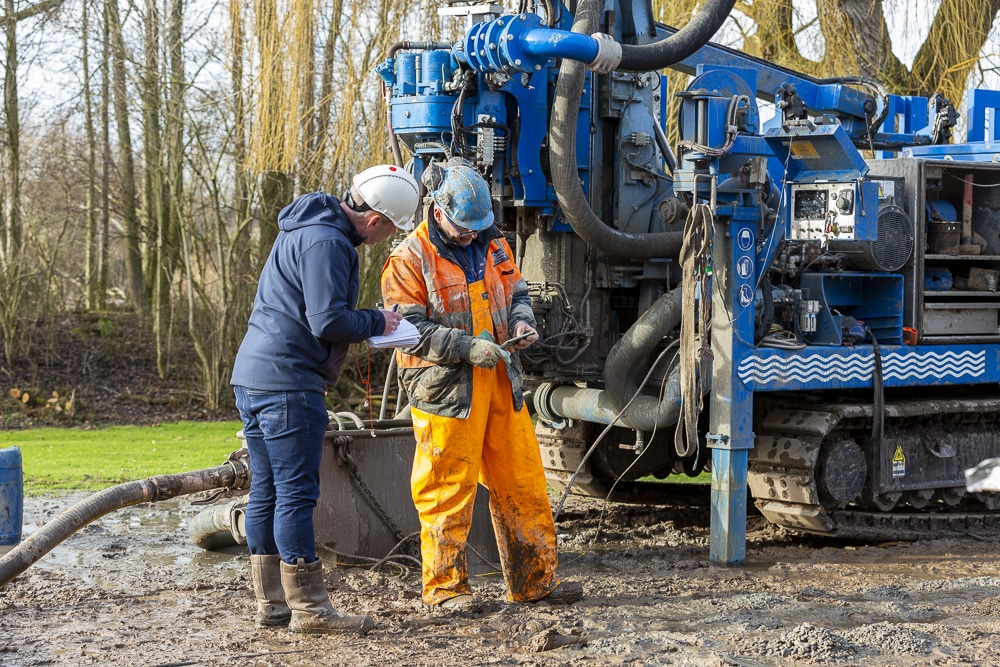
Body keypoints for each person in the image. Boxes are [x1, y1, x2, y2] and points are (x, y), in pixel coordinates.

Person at [380, 160, 582, 608]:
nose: (472, 234)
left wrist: (524, 323)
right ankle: (446, 589)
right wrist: (466, 348)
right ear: (437, 211)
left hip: (499, 382)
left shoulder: (494, 244)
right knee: (446, 490)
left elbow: (518, 294)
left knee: (525, 482)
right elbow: (407, 330)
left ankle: (534, 582)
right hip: (445, 393)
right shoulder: (407, 261)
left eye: (478, 227)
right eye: (464, 227)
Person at [231, 164, 420, 634]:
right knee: (295, 494)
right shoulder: (330, 242)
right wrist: (380, 322)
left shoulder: (303, 228)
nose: (388, 237)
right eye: (392, 228)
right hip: (288, 385)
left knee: (266, 491)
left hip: (253, 376)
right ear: (375, 220)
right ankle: (311, 610)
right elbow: (327, 321)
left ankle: (271, 603)